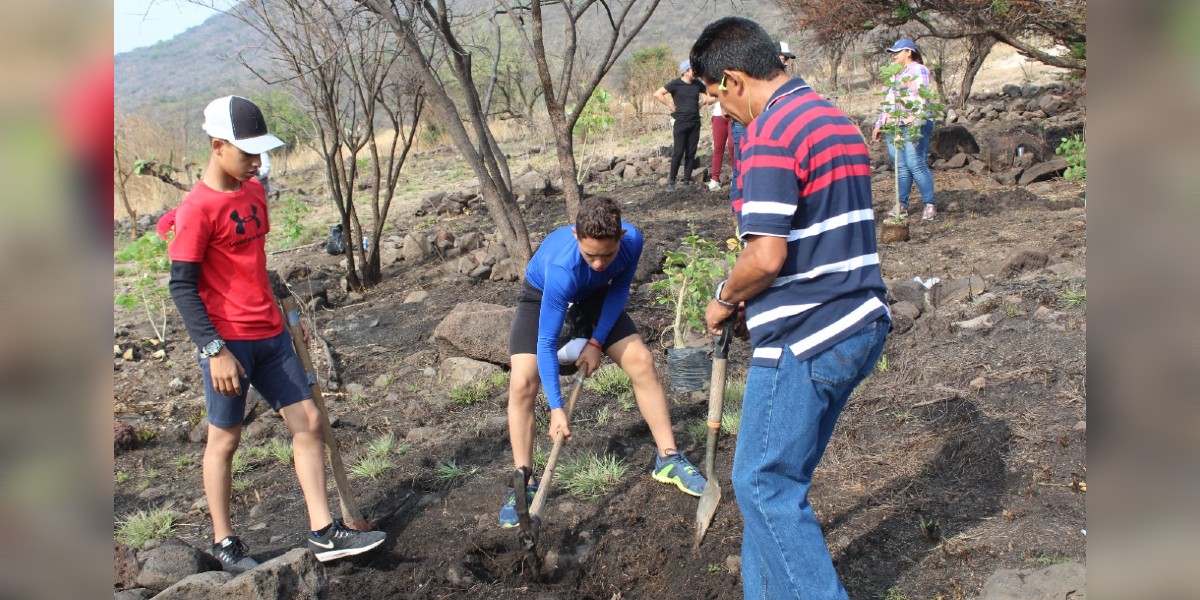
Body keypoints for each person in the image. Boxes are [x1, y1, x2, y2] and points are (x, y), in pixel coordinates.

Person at [692, 18, 890, 599]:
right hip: (859, 320)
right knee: (777, 485)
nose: (721, 115)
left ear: (731, 80)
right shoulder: (832, 118)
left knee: (760, 485)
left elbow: (765, 257)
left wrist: (725, 299)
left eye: (715, 100)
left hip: (809, 333)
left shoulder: (772, 133)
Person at [168, 95, 386, 571]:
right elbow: (182, 287)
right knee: (224, 440)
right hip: (228, 343)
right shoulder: (197, 210)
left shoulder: (253, 193)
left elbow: (254, 264)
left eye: (259, 154)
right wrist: (214, 350)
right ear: (217, 145)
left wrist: (292, 319)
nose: (256, 163)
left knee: (307, 423)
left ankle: (324, 531)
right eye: (247, 153)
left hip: (271, 333)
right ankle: (225, 541)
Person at [499, 196, 707, 527]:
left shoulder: (632, 241)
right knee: (522, 381)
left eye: (606, 255)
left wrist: (597, 342)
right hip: (542, 296)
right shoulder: (562, 268)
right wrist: (556, 408)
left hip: (594, 296)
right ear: (576, 236)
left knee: (641, 360)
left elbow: (618, 289)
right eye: (590, 255)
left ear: (620, 238)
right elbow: (546, 341)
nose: (599, 264)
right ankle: (523, 483)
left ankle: (668, 459)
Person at [871, 38, 938, 221]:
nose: (894, 56)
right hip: (893, 125)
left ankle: (930, 204)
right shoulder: (893, 74)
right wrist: (879, 124)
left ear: (909, 52)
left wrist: (916, 124)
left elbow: (921, 97)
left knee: (915, 163)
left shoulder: (918, 70)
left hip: (912, 123)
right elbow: (887, 101)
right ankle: (902, 204)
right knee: (900, 166)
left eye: (897, 52)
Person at [654, 60, 711, 191]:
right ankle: (672, 182)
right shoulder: (675, 83)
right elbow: (658, 93)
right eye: (693, 69)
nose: (695, 72)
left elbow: (709, 93)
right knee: (678, 153)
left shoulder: (697, 84)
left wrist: (702, 103)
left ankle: (686, 182)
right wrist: (669, 104)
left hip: (695, 122)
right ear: (685, 72)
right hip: (680, 122)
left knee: (691, 153)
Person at [706, 100, 734, 191]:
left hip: (735, 114)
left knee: (733, 147)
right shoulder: (717, 85)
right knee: (718, 148)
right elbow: (708, 99)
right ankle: (714, 180)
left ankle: (736, 178)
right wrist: (720, 95)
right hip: (718, 115)